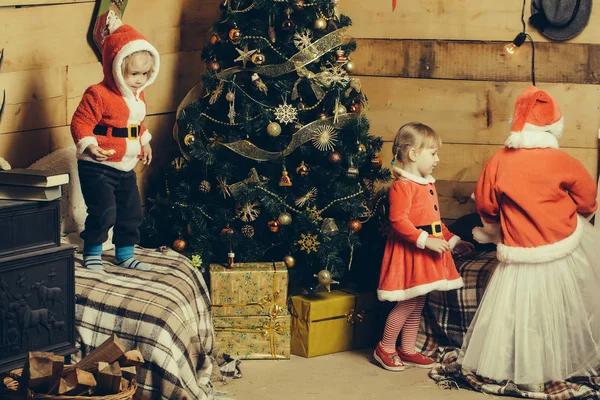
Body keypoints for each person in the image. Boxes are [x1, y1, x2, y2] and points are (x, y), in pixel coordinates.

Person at [459, 85, 600, 388]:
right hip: (560, 245)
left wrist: (498, 223)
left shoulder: (499, 159)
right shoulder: (563, 161)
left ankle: (522, 370)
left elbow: (484, 203)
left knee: (515, 312)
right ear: (552, 128)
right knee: (565, 307)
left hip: (518, 248)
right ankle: (557, 364)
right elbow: (589, 201)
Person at [374, 122, 474, 371]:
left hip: (425, 253)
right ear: (413, 154)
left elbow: (435, 222)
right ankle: (385, 347)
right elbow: (399, 220)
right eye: (433, 153)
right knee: (407, 302)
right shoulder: (402, 186)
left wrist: (452, 241)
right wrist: (425, 240)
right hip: (410, 252)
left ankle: (407, 349)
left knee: (419, 301)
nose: (437, 159)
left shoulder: (426, 184)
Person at [70, 12, 160, 271]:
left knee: (132, 212)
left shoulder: (137, 97)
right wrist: (89, 144)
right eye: (133, 74)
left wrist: (145, 142)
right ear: (115, 68)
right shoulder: (97, 94)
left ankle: (124, 253)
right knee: (104, 211)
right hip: (97, 164)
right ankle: (93, 251)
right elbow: (80, 122)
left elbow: (136, 125)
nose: (140, 80)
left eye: (145, 74)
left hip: (125, 166)